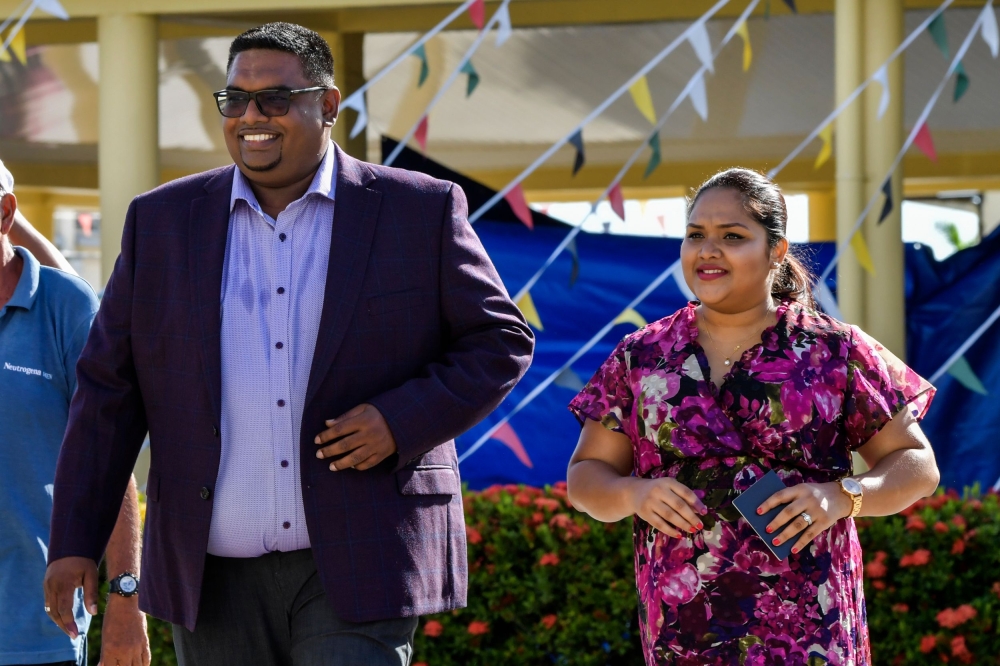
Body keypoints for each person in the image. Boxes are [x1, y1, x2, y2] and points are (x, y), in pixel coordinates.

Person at [44, 21, 534, 666]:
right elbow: (109, 391)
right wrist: (74, 540)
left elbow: (499, 340)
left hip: (363, 554)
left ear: (327, 104)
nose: (251, 117)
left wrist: (399, 420)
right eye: (235, 100)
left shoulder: (417, 209)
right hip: (211, 571)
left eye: (274, 99)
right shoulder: (160, 222)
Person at [565, 168, 940, 665]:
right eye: (695, 235)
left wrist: (841, 496)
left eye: (732, 237)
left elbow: (918, 465)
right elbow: (585, 476)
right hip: (683, 627)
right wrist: (632, 493)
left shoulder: (836, 349)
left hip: (810, 625)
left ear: (776, 250)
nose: (708, 250)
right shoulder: (641, 355)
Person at [0, 162, 149, 666]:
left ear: (5, 214)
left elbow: (108, 455)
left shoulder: (65, 307)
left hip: (37, 633)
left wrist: (126, 597)